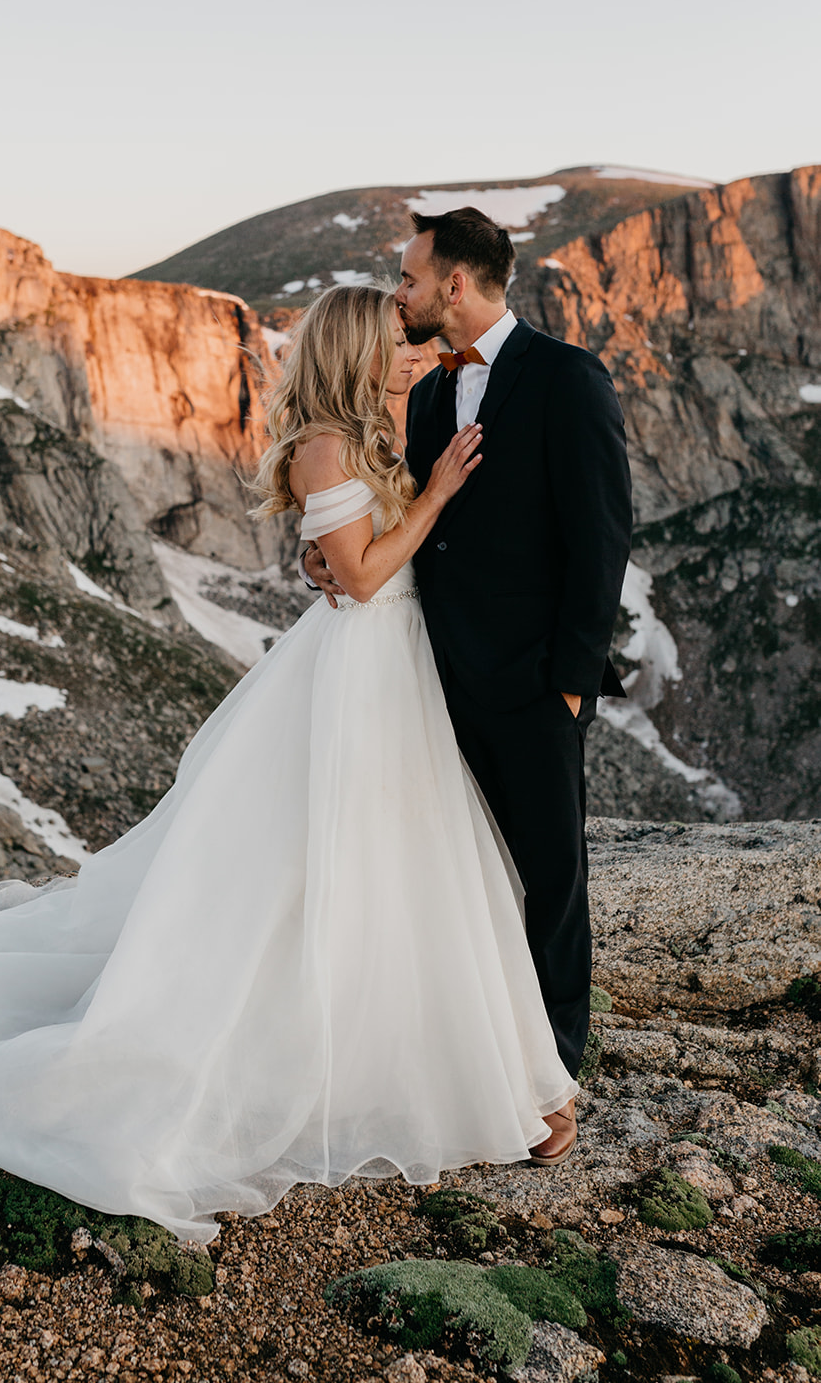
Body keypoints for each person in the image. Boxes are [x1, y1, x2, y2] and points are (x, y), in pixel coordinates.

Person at [0, 283, 578, 1246]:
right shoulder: (321, 448)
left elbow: (356, 557)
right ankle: (342, 1059)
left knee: (403, 864)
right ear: (351, 351)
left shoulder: (369, 430)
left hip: (398, 671)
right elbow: (369, 572)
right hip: (358, 675)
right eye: (390, 340)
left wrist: (400, 471)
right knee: (324, 864)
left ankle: (463, 1064)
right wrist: (434, 494)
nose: (408, 348)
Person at [305, 207, 633, 1164]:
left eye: (407, 278)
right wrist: (320, 561)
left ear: (454, 283)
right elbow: (377, 512)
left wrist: (570, 686)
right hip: (420, 678)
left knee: (548, 879)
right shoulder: (414, 386)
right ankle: (448, 1055)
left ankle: (550, 1075)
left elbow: (600, 536)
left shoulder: (566, 377)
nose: (397, 293)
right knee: (447, 878)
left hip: (531, 684)